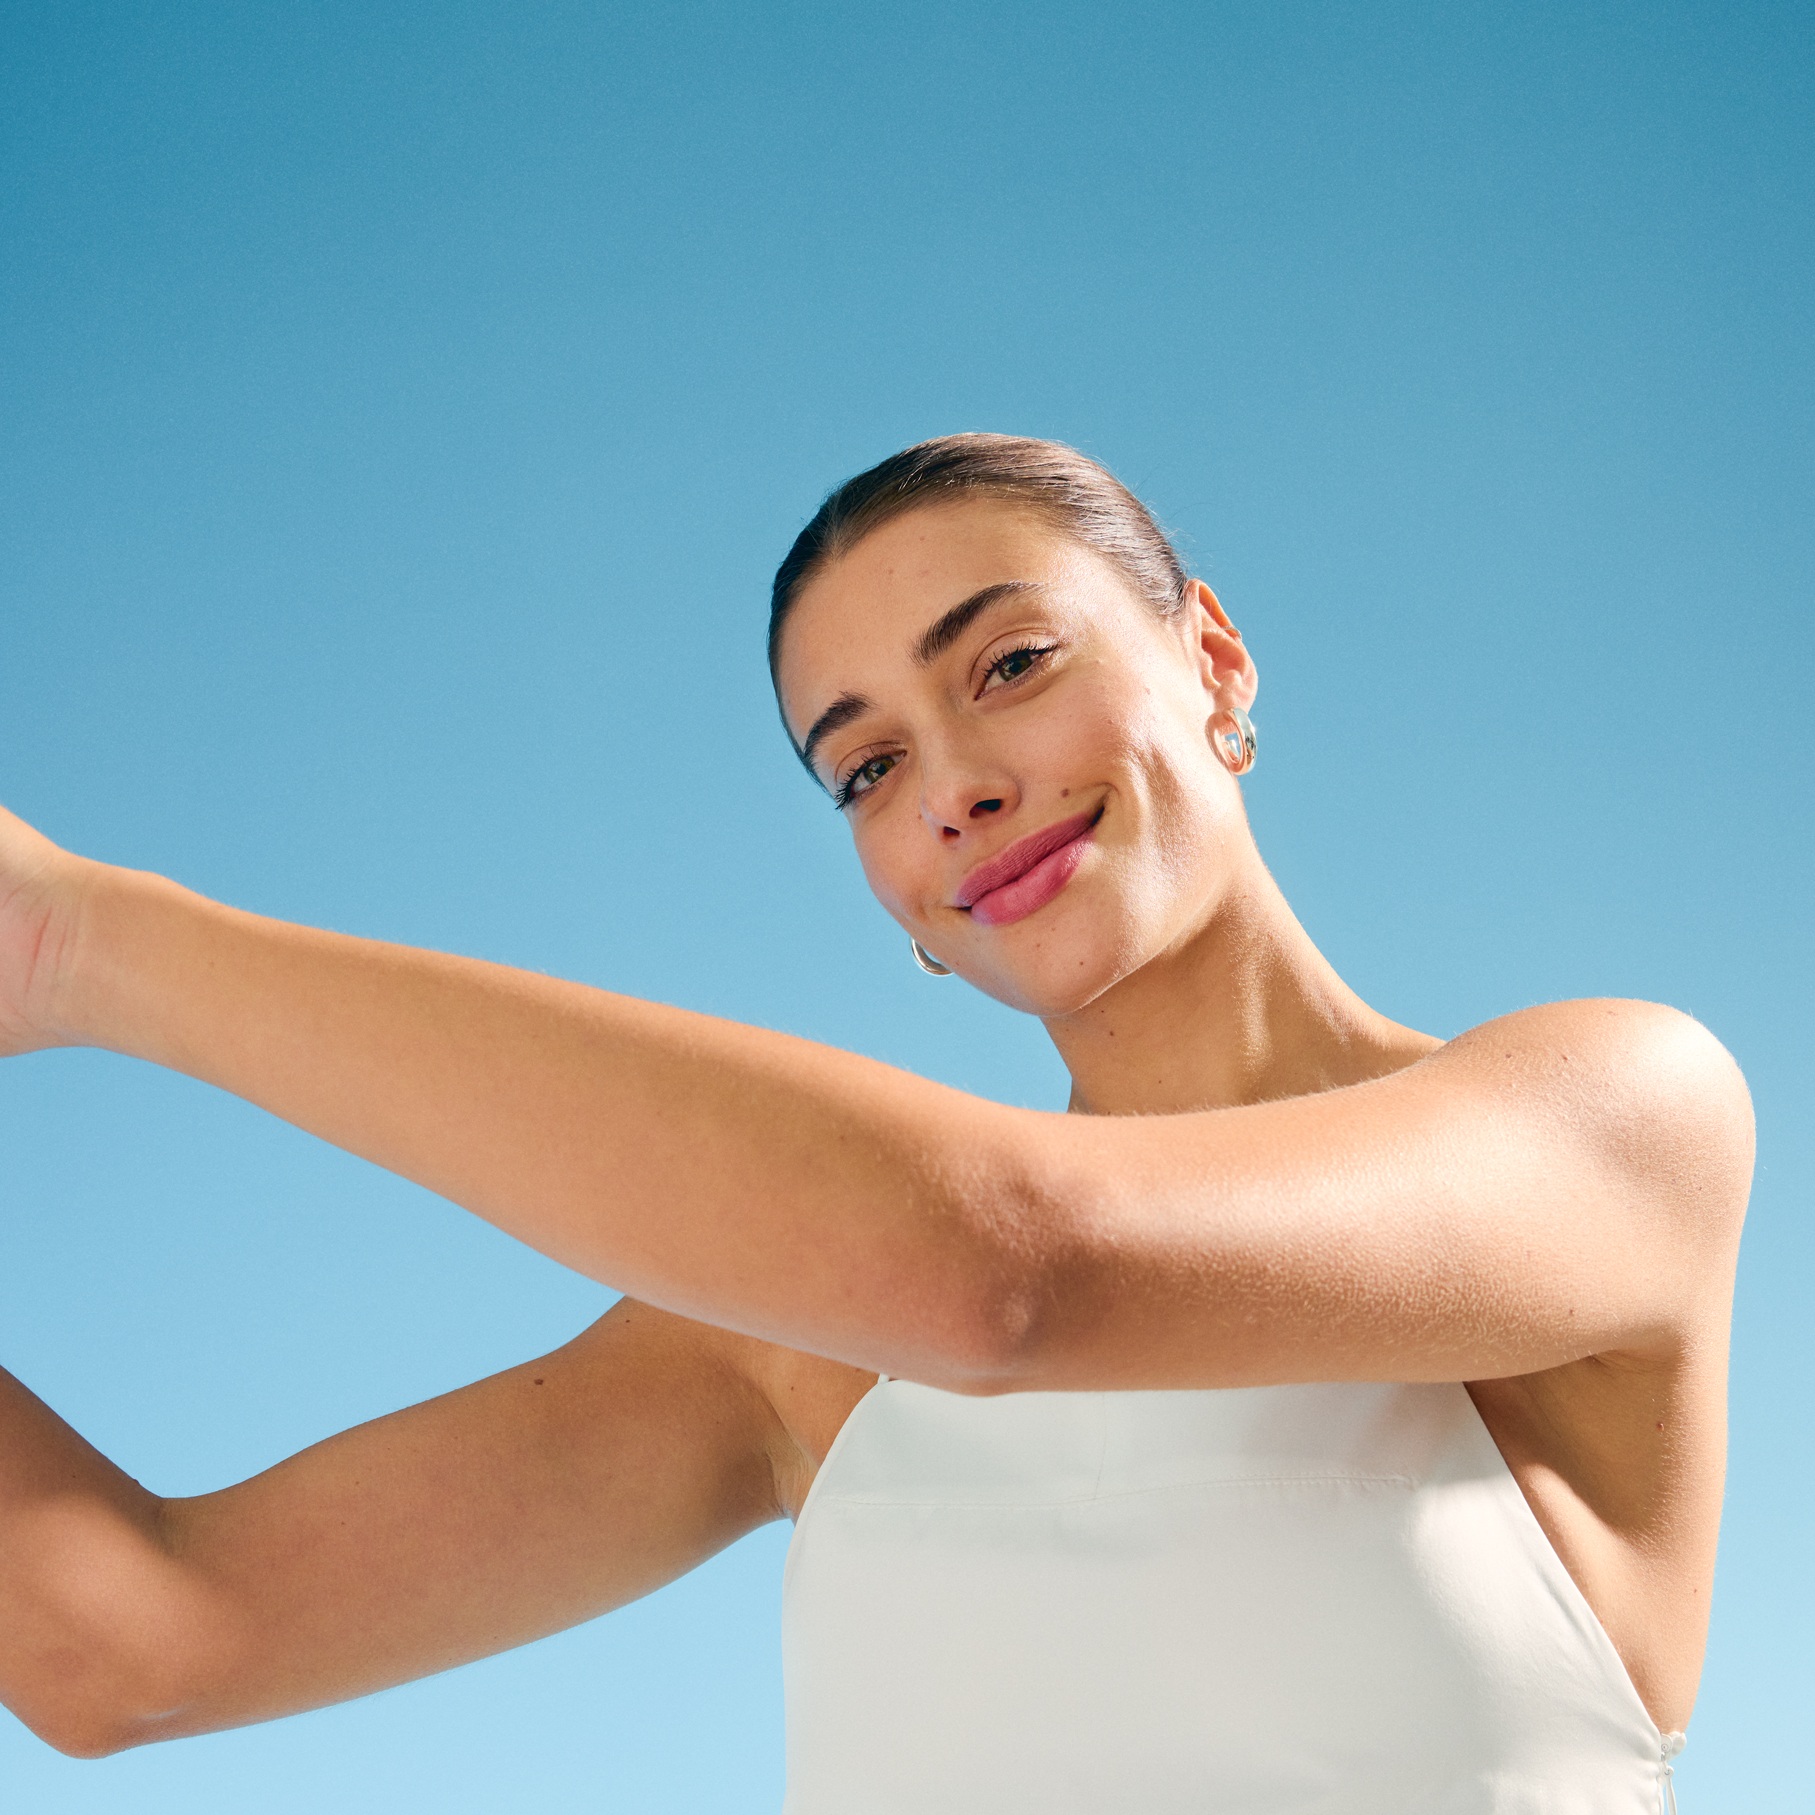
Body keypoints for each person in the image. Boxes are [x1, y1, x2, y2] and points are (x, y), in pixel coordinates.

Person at [0, 436, 1750, 1812]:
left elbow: (1007, 1271)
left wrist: (79, 943)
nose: (958, 790)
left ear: (1210, 654)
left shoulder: (1616, 1123)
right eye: (867, 769)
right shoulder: (781, 1351)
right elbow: (123, 1641)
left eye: (1007, 665)